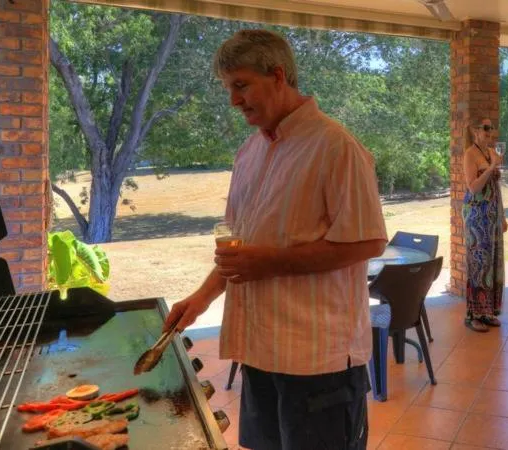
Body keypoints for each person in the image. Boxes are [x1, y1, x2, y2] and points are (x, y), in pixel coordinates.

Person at [164, 29, 387, 450]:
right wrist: (201, 298)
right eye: (229, 88)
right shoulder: (248, 153)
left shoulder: (336, 147)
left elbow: (369, 243)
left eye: (241, 85)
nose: (234, 100)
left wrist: (270, 262)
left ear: (278, 76)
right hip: (260, 351)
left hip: (317, 361)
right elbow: (239, 249)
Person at [461, 118, 508, 333]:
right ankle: (473, 315)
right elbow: (473, 187)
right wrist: (491, 167)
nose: (490, 132)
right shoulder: (470, 154)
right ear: (475, 130)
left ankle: (488, 311)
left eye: (492, 128)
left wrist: (503, 216)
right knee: (479, 264)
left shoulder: (491, 152)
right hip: (477, 217)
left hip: (493, 216)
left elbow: (496, 188)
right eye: (486, 128)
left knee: (492, 264)